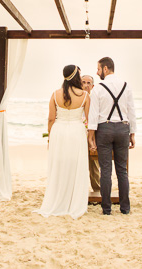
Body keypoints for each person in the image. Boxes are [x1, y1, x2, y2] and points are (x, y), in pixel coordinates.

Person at [36, 65, 90, 218]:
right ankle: (73, 201)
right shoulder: (85, 96)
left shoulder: (55, 94)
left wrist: (50, 138)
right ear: (76, 77)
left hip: (59, 132)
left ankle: (58, 199)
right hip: (77, 132)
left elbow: (51, 119)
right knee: (75, 165)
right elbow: (89, 120)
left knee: (59, 166)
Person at [88, 57, 136, 215]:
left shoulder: (98, 88)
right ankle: (125, 208)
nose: (97, 72)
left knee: (106, 170)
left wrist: (91, 135)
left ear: (106, 69)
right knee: (122, 170)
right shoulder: (126, 86)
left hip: (105, 129)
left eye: (98, 69)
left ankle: (107, 209)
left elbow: (93, 115)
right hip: (123, 128)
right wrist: (132, 133)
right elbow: (131, 111)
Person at [81, 74, 101, 192]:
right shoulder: (77, 98)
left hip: (93, 134)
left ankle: (97, 189)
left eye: (88, 83)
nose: (86, 85)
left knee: (94, 163)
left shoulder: (95, 99)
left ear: (93, 86)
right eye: (83, 82)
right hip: (78, 133)